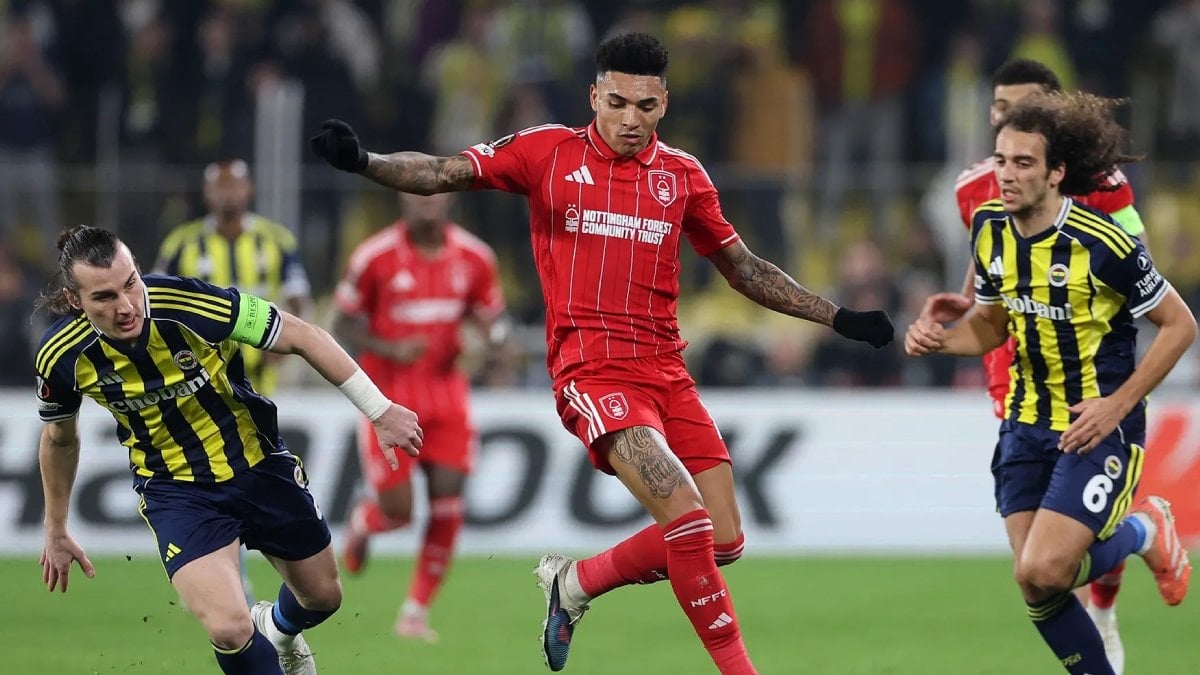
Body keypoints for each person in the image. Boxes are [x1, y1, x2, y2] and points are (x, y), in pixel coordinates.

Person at [311, 31, 894, 674]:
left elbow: (744, 268)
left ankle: (577, 582)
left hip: (667, 372)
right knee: (687, 517)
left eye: (645, 106)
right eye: (617, 103)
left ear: (664, 104)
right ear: (594, 97)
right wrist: (365, 161)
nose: (630, 120)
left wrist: (836, 316)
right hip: (592, 372)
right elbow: (442, 172)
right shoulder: (547, 152)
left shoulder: (683, 177)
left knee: (724, 539)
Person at [35, 225, 423, 675]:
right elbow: (60, 437)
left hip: (258, 463)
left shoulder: (190, 304)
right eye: (104, 297)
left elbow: (302, 334)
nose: (126, 306)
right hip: (176, 489)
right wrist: (56, 527)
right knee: (229, 628)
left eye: (131, 284)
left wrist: (379, 410)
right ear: (74, 300)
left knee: (322, 596)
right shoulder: (60, 356)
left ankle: (276, 629)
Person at [905, 91, 1194, 675]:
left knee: (1044, 568)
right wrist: (940, 339)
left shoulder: (1105, 244)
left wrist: (1118, 405)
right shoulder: (989, 229)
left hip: (1094, 428)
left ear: (1056, 172)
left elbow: (1180, 325)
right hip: (1024, 424)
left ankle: (1145, 529)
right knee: (1036, 582)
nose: (1006, 175)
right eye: (1001, 160)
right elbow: (991, 326)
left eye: (1023, 163)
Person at [331, 191, 506, 641]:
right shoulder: (373, 257)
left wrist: (488, 342)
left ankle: (414, 613)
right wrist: (389, 348)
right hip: (387, 400)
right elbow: (340, 324)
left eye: (433, 194)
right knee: (400, 512)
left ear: (449, 199)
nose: (425, 202)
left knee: (449, 503)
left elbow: (492, 319)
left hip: (448, 396)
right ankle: (365, 520)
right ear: (401, 201)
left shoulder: (476, 257)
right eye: (415, 195)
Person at [155, 158, 314, 608]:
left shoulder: (275, 240)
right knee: (216, 470)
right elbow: (154, 301)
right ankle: (231, 577)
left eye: (235, 186)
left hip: (258, 382)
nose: (227, 195)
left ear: (249, 191)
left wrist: (284, 343)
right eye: (219, 188)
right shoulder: (182, 243)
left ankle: (265, 562)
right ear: (207, 195)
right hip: (197, 383)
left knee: (253, 468)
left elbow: (298, 297)